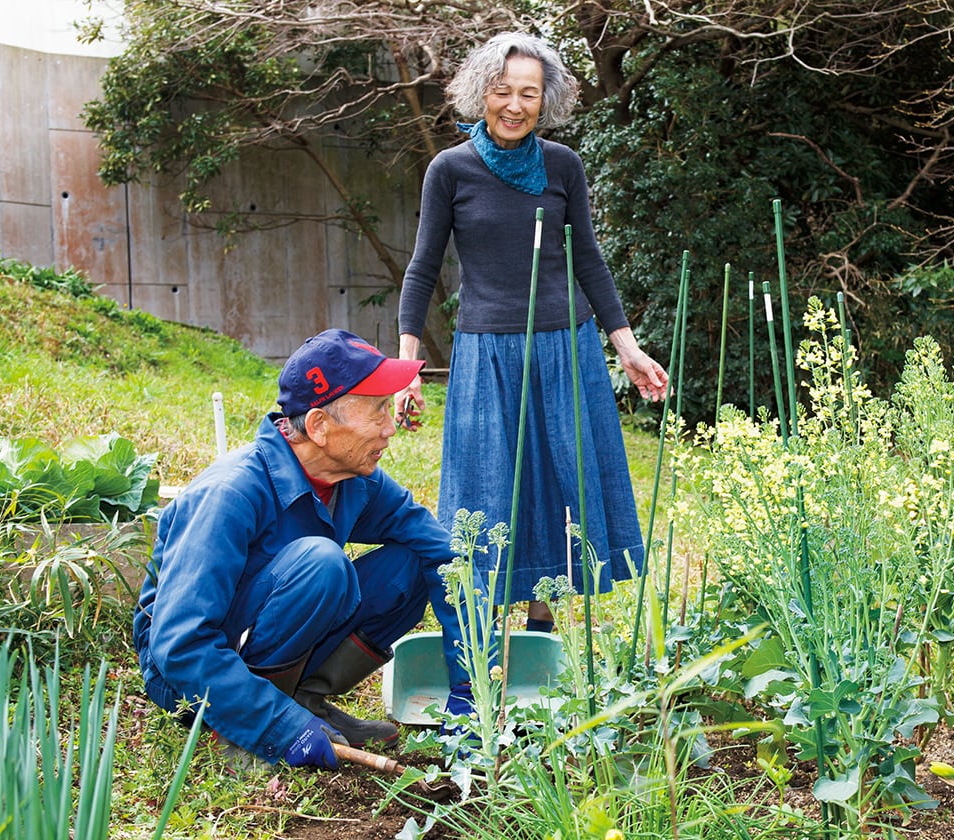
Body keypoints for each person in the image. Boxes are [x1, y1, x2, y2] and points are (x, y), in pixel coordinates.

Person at [396, 32, 669, 632]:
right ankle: (482, 634)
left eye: (529, 93)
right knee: (486, 487)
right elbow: (422, 267)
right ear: (480, 93)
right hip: (485, 351)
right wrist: (406, 366)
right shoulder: (450, 170)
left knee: (557, 483)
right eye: (502, 91)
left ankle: (541, 625)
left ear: (547, 100)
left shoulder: (564, 166)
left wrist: (626, 348)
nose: (514, 105)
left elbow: (589, 261)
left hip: (563, 349)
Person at [133, 328, 472, 773]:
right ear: (318, 426)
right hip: (183, 673)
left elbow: (444, 555)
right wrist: (281, 727)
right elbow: (179, 644)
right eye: (376, 412)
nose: (391, 428)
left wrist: (468, 689)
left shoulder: (355, 480)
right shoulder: (230, 494)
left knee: (411, 562)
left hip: (250, 639)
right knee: (320, 564)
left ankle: (304, 701)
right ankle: (247, 726)